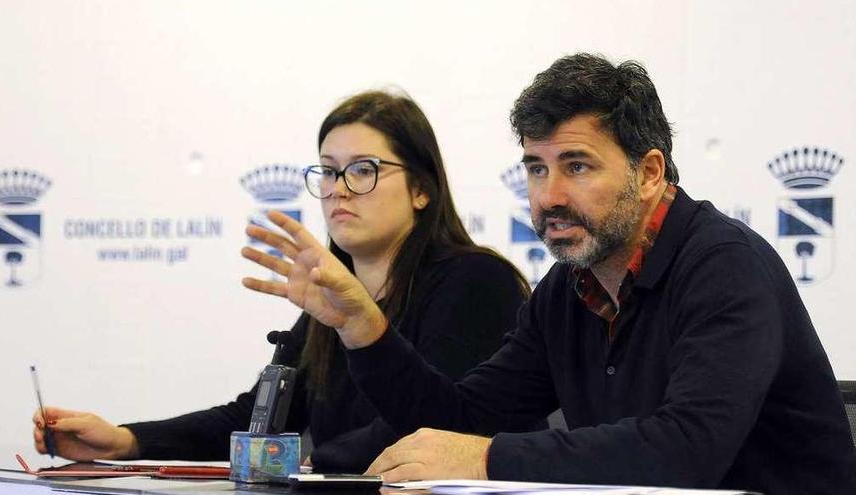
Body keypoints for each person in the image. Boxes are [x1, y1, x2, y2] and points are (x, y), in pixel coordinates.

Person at [250, 55, 856, 493]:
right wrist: (366, 329)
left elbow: (687, 450)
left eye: (576, 166)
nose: (549, 197)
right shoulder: (568, 289)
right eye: (536, 170)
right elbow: (463, 419)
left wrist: (489, 459)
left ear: (649, 173)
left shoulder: (726, 266)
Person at [32, 90, 533, 473]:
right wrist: (126, 441)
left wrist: (306, 467)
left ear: (421, 189)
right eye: (329, 172)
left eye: (363, 171)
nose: (339, 189)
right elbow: (256, 419)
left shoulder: (476, 281)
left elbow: (437, 424)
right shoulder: (333, 294)